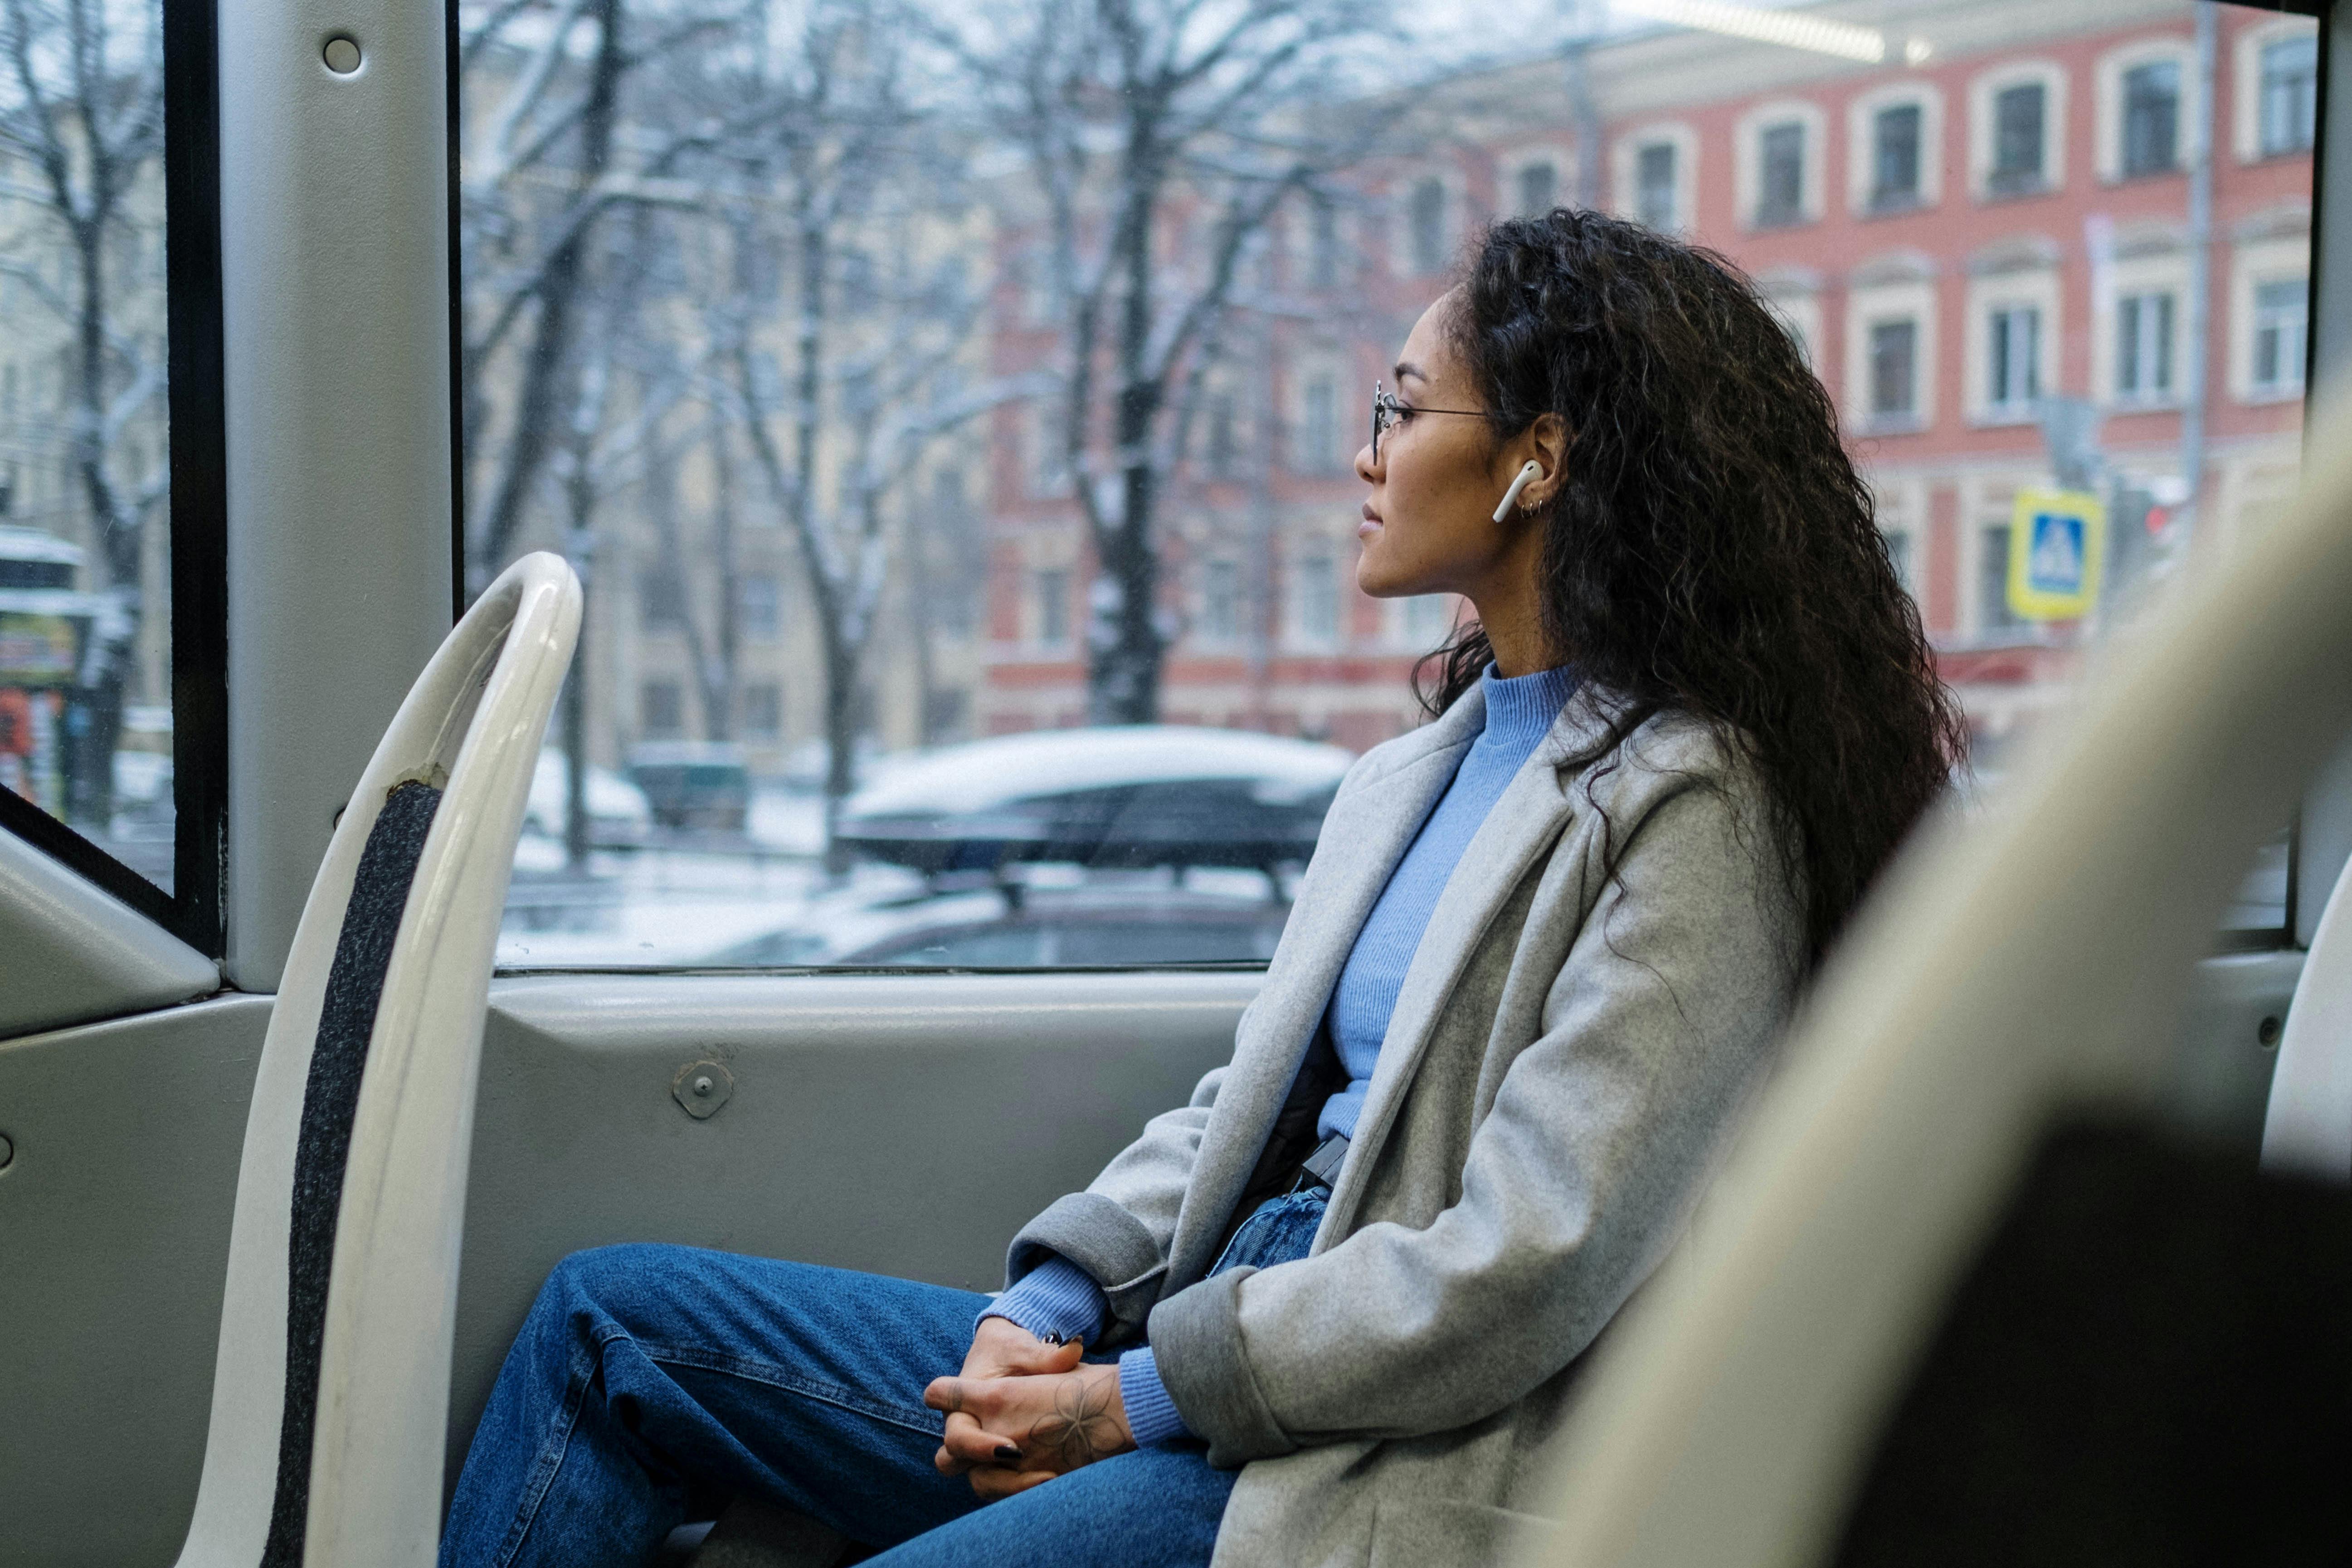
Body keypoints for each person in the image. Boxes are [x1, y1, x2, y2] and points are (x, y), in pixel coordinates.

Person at [439, 209, 1965, 1568]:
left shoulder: (1696, 801)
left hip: (1381, 1435)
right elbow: (1246, 1099)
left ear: (1536, 463)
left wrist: (1131, 1400)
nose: (1364, 455)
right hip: (1219, 1332)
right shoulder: (1413, 772)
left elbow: (1528, 1260)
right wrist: (1042, 1306)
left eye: (1400, 409)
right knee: (606, 1322)